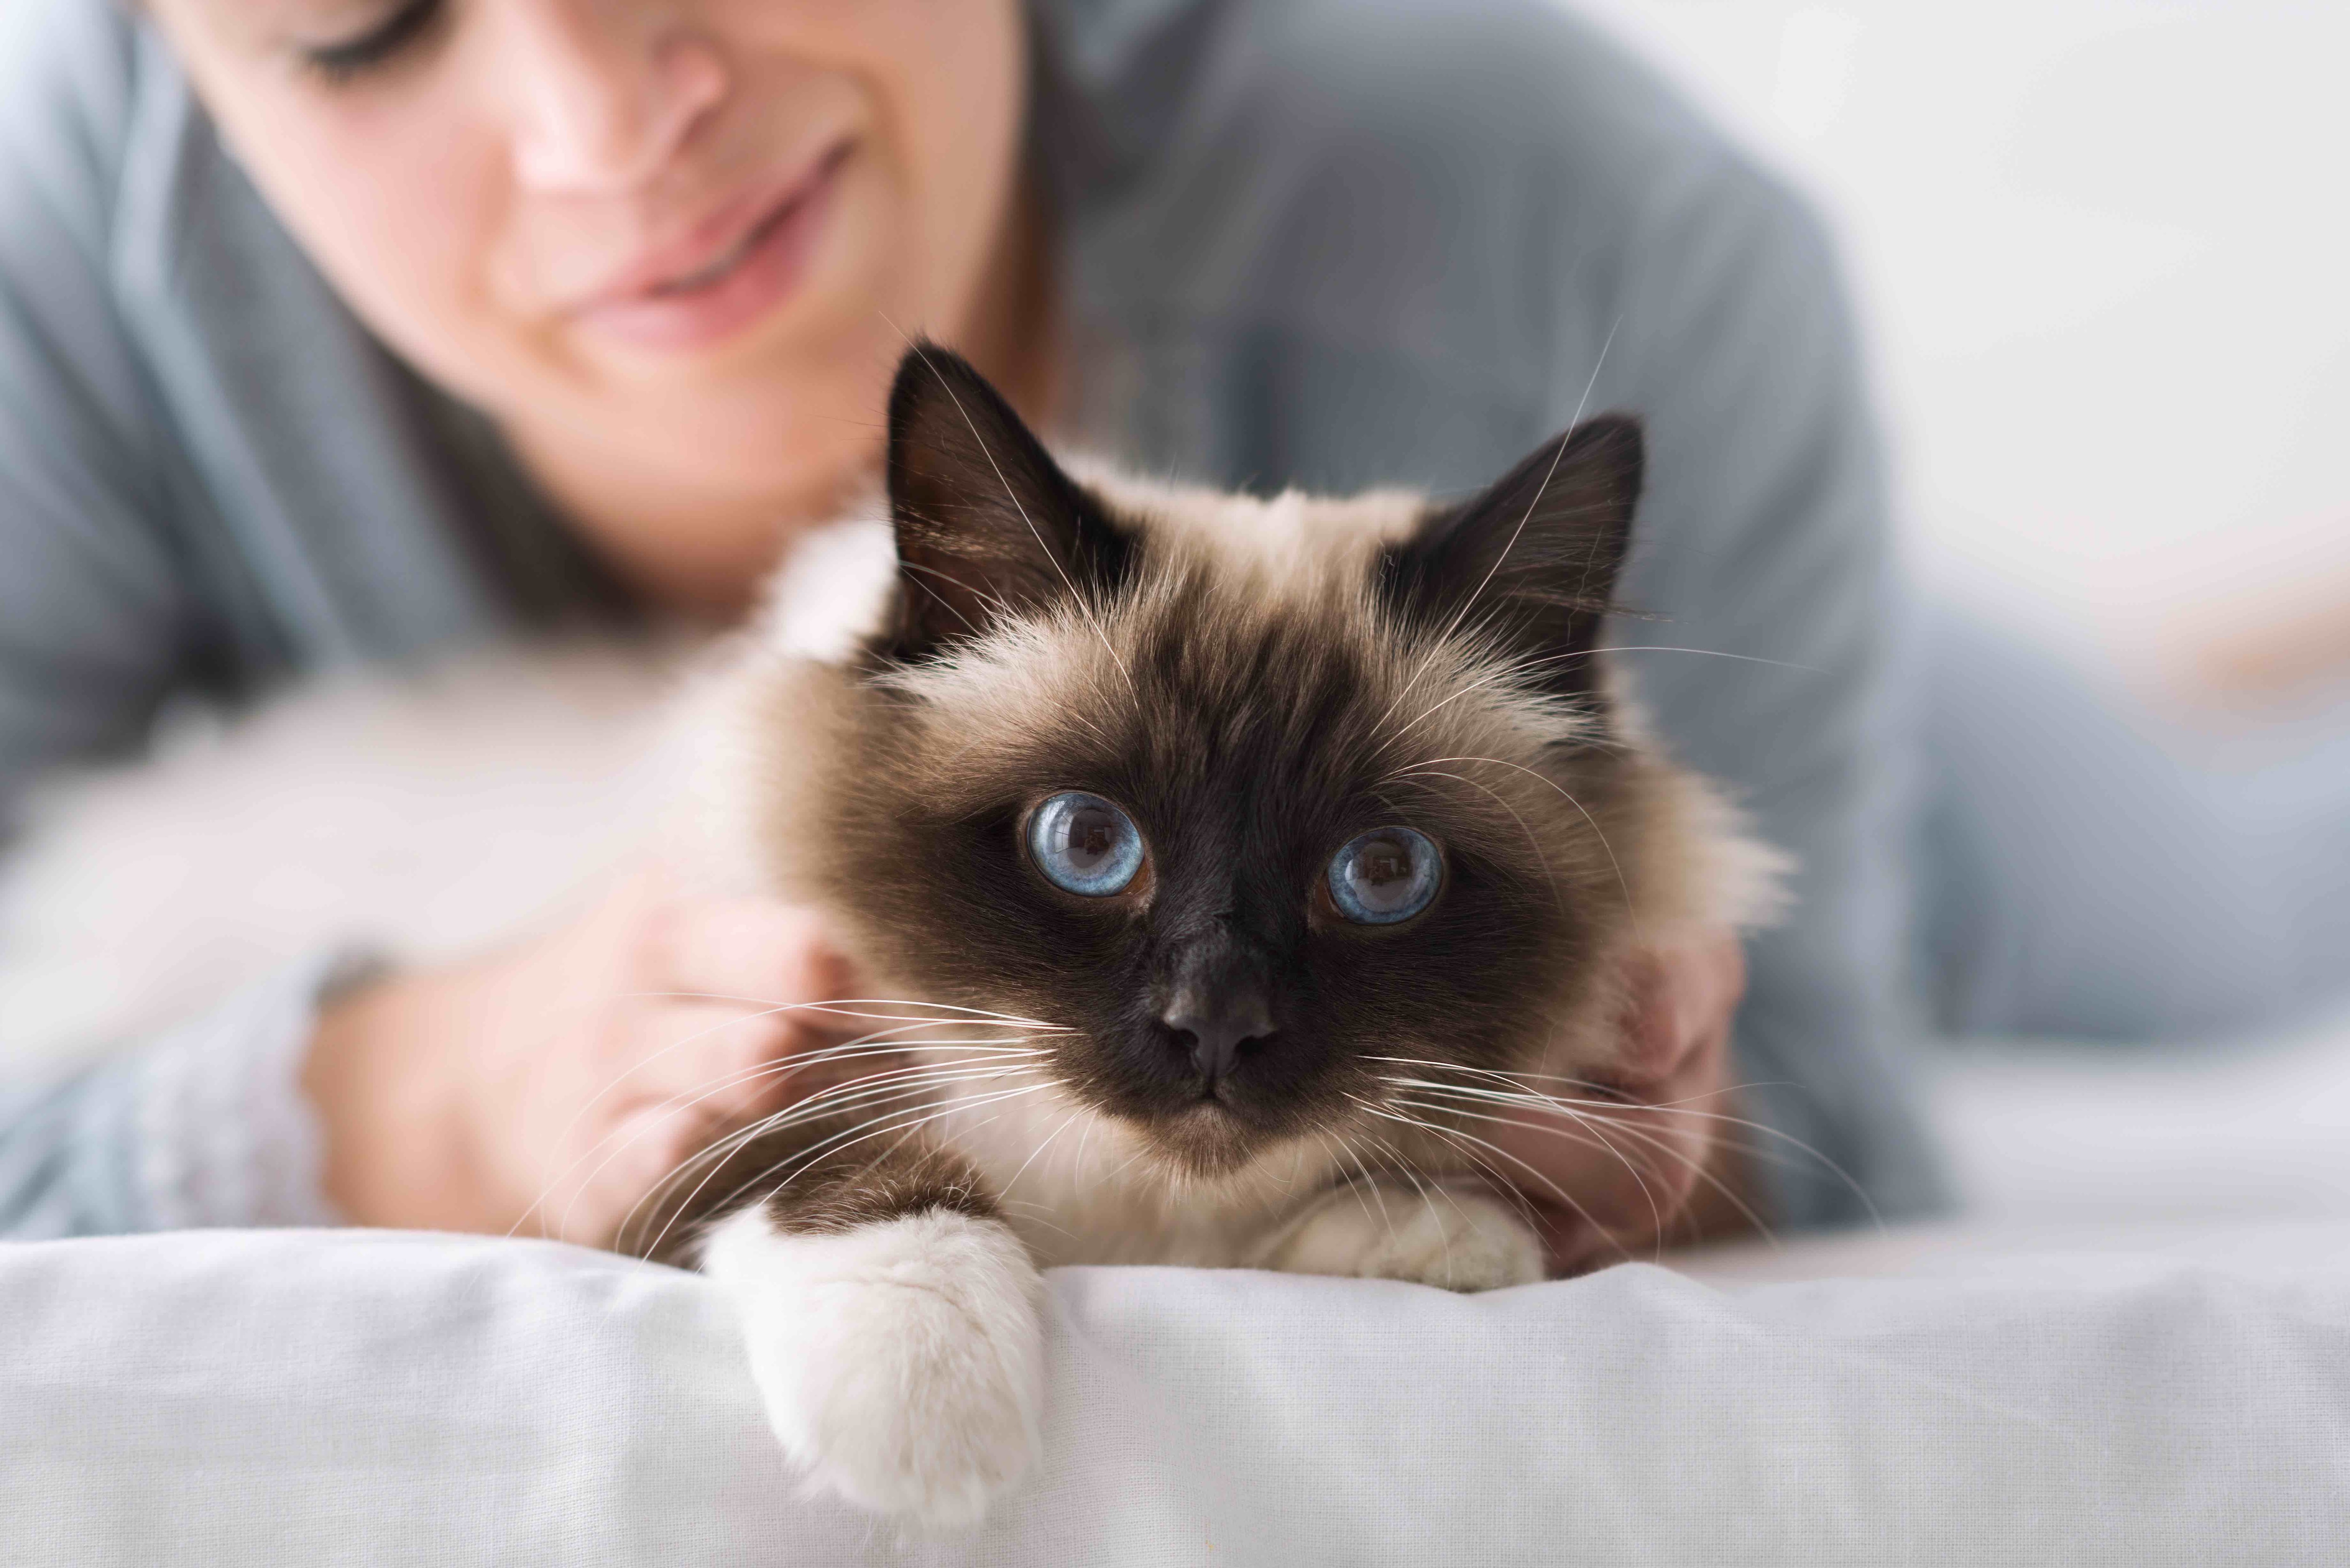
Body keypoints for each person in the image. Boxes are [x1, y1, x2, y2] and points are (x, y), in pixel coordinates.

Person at [0, 0, 1949, 1248]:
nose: (603, 127)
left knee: (2139, 853)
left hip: (1932, 741)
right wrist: (428, 1092)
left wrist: (1658, 1140)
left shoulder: (1595, 226)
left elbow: (1856, 1139)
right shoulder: (57, 265)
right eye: (354, 28)